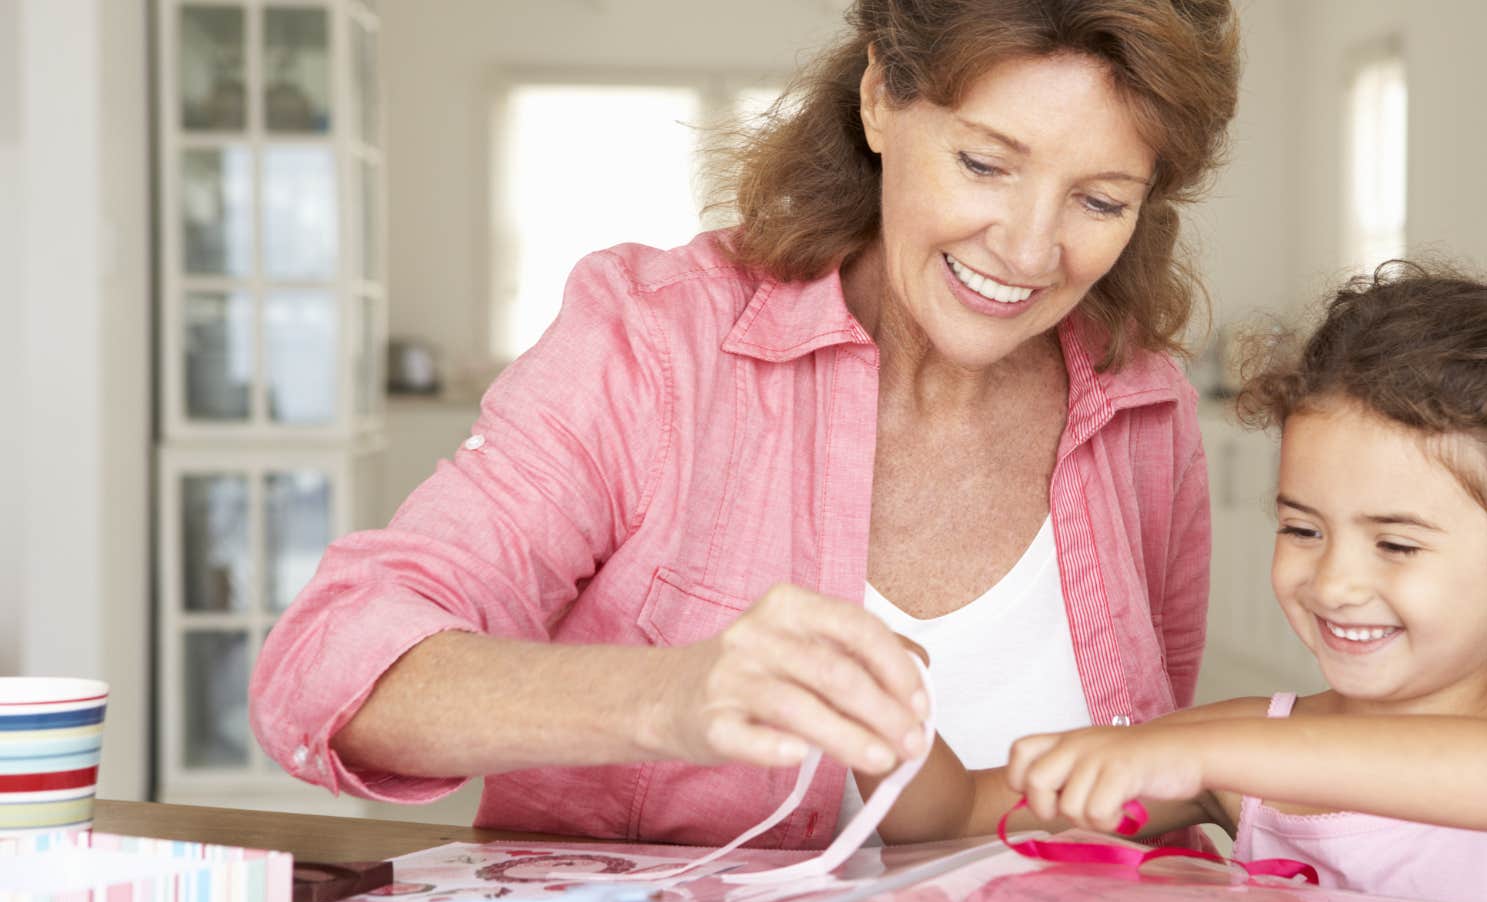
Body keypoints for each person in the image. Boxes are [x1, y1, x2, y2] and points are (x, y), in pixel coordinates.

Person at [247, 0, 1242, 844]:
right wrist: (666, 700)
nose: (1031, 250)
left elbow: (1134, 789)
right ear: (880, 102)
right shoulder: (654, 342)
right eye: (985, 164)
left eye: (1101, 201)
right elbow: (325, 669)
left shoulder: (1143, 409)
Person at [873, 264, 1487, 902]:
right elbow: (951, 815)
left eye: (1396, 543)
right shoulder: (1249, 745)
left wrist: (1205, 759)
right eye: (1302, 529)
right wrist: (882, 720)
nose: (1333, 581)